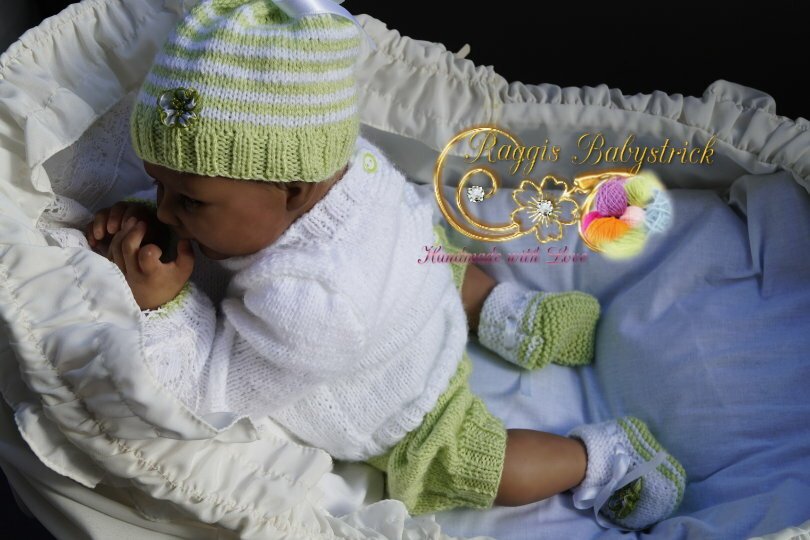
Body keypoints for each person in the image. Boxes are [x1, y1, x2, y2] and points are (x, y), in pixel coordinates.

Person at [83, 0, 685, 530]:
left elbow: (217, 388)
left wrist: (166, 303)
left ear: (292, 189)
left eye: (188, 201)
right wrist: (152, 220)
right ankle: (507, 311)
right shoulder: (345, 160)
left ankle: (602, 459)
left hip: (405, 396)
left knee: (468, 464)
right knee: (439, 257)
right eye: (157, 185)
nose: (165, 207)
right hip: (418, 283)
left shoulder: (309, 304)